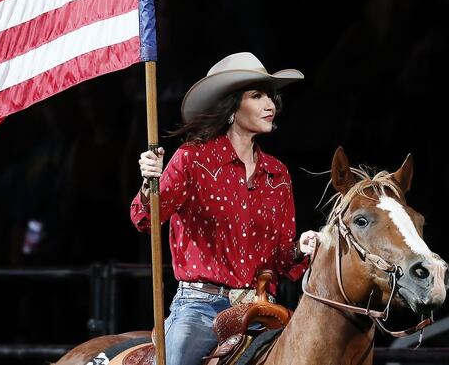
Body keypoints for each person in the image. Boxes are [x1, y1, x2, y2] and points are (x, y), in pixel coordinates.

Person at [130, 52, 318, 365]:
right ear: (230, 106)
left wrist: (300, 247)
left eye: (270, 96)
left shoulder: (277, 174)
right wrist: (151, 182)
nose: (270, 105)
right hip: (200, 308)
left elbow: (284, 260)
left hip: (262, 311)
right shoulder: (192, 159)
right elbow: (146, 221)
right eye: (257, 96)